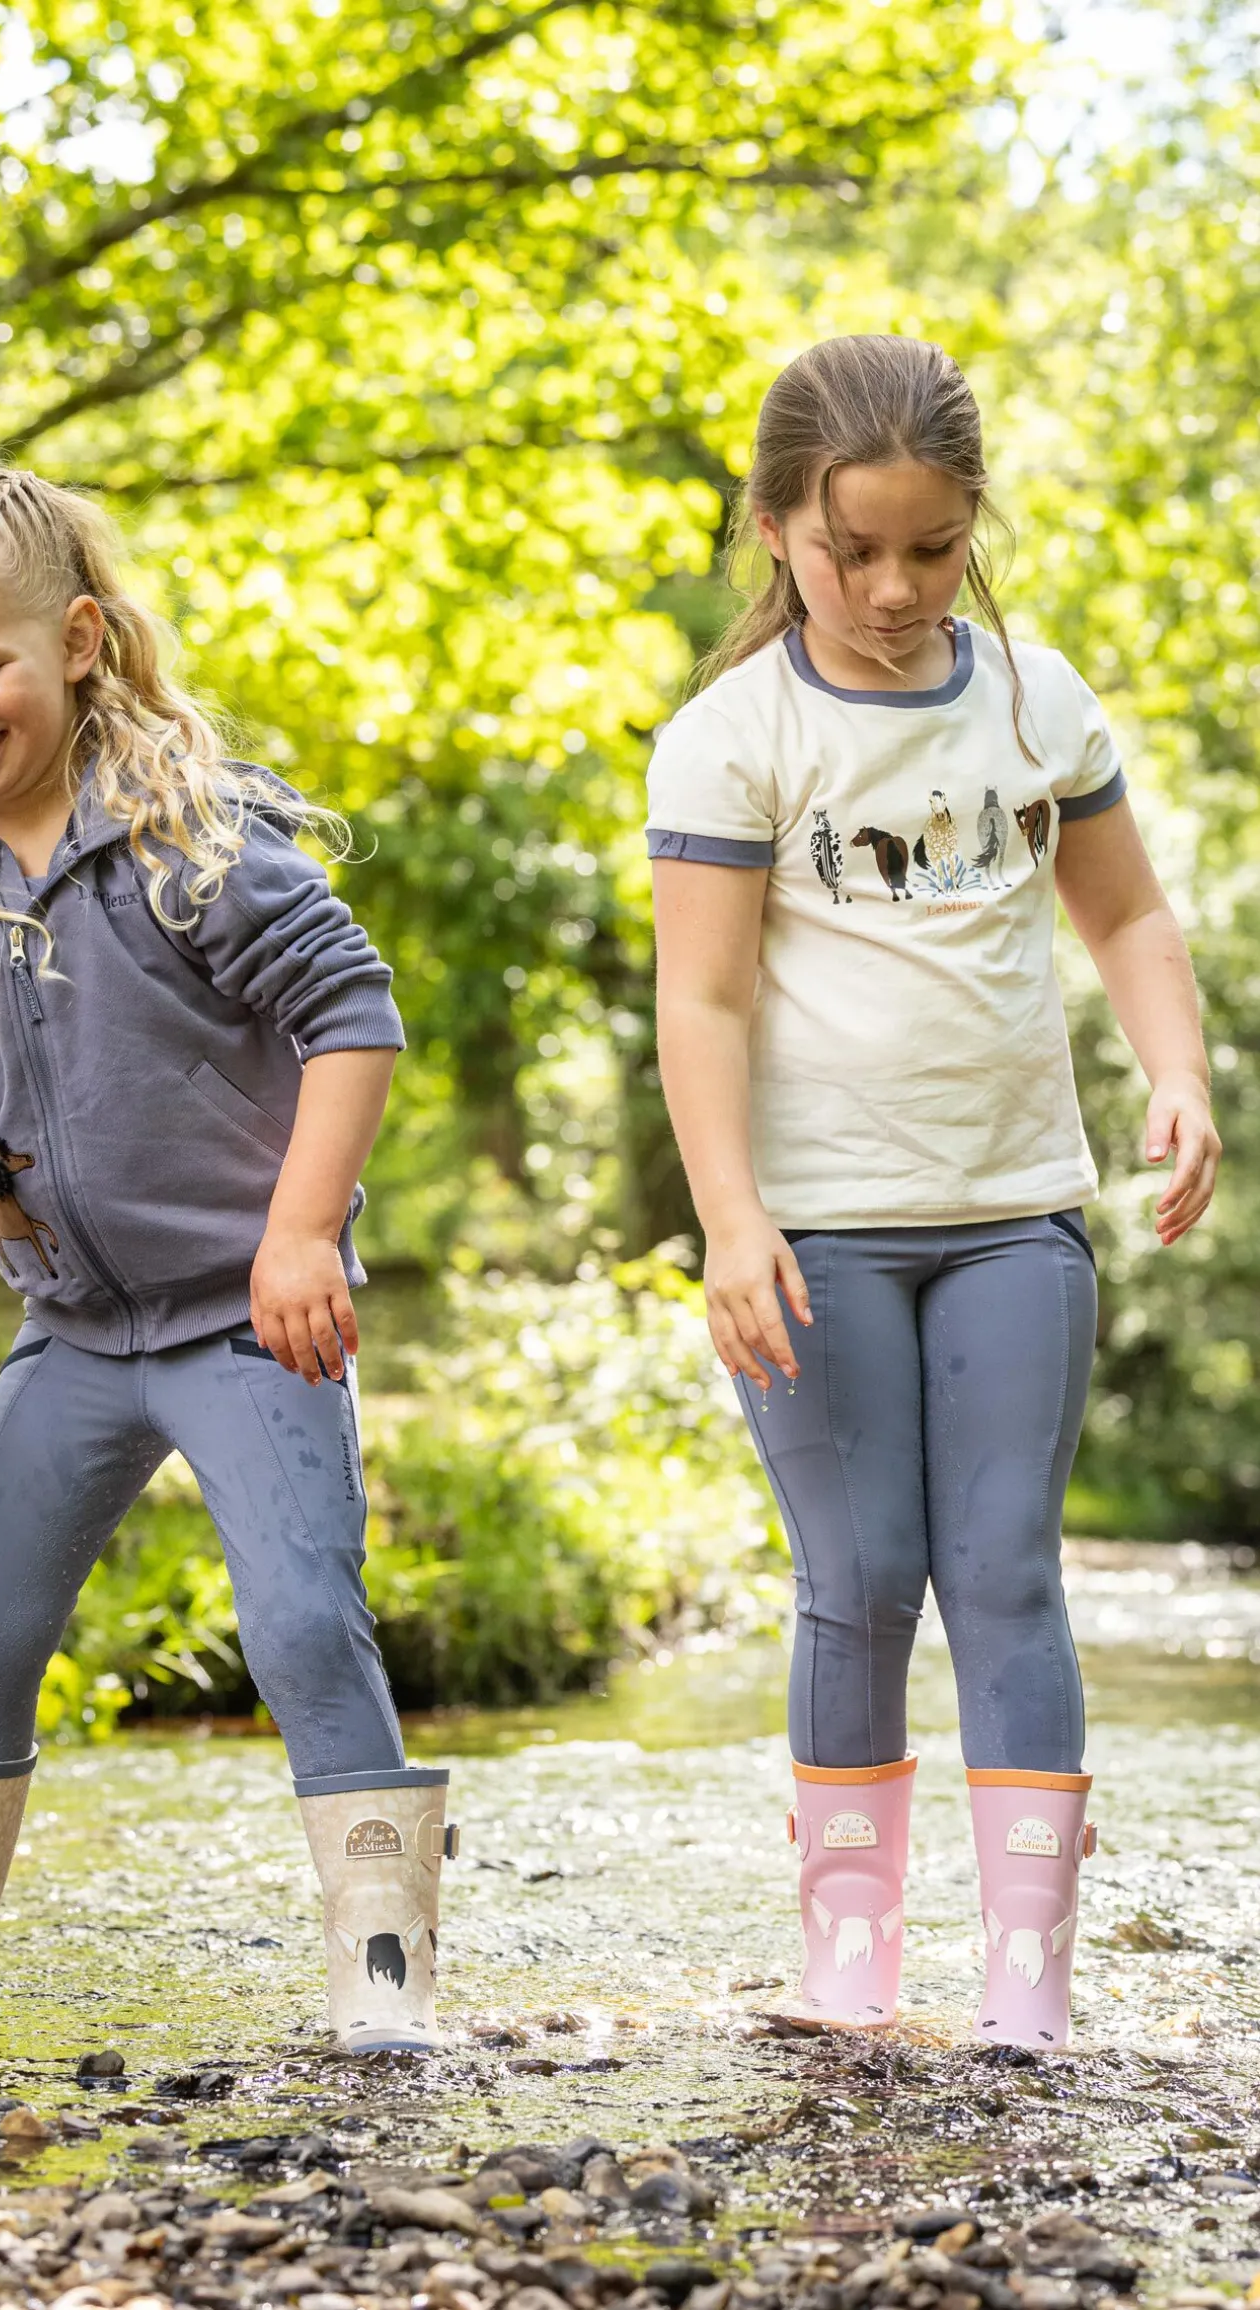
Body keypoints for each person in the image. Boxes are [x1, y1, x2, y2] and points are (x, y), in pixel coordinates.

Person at [0, 465, 458, 2052]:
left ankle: (384, 1969)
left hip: (249, 1322)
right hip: (76, 1336)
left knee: (300, 1620)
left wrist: (302, 1233)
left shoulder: (191, 842)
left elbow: (352, 1013)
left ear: (80, 640)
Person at [647, 336, 1219, 2046]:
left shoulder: (1038, 700)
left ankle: (1029, 1982)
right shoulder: (734, 738)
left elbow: (1127, 913)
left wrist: (1177, 1072)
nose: (895, 588)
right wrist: (730, 1218)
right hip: (813, 1233)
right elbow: (704, 999)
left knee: (1009, 1573)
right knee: (864, 1572)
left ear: (975, 526)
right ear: (774, 529)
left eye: (934, 547)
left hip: (1014, 1215)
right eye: (854, 551)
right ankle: (852, 1965)